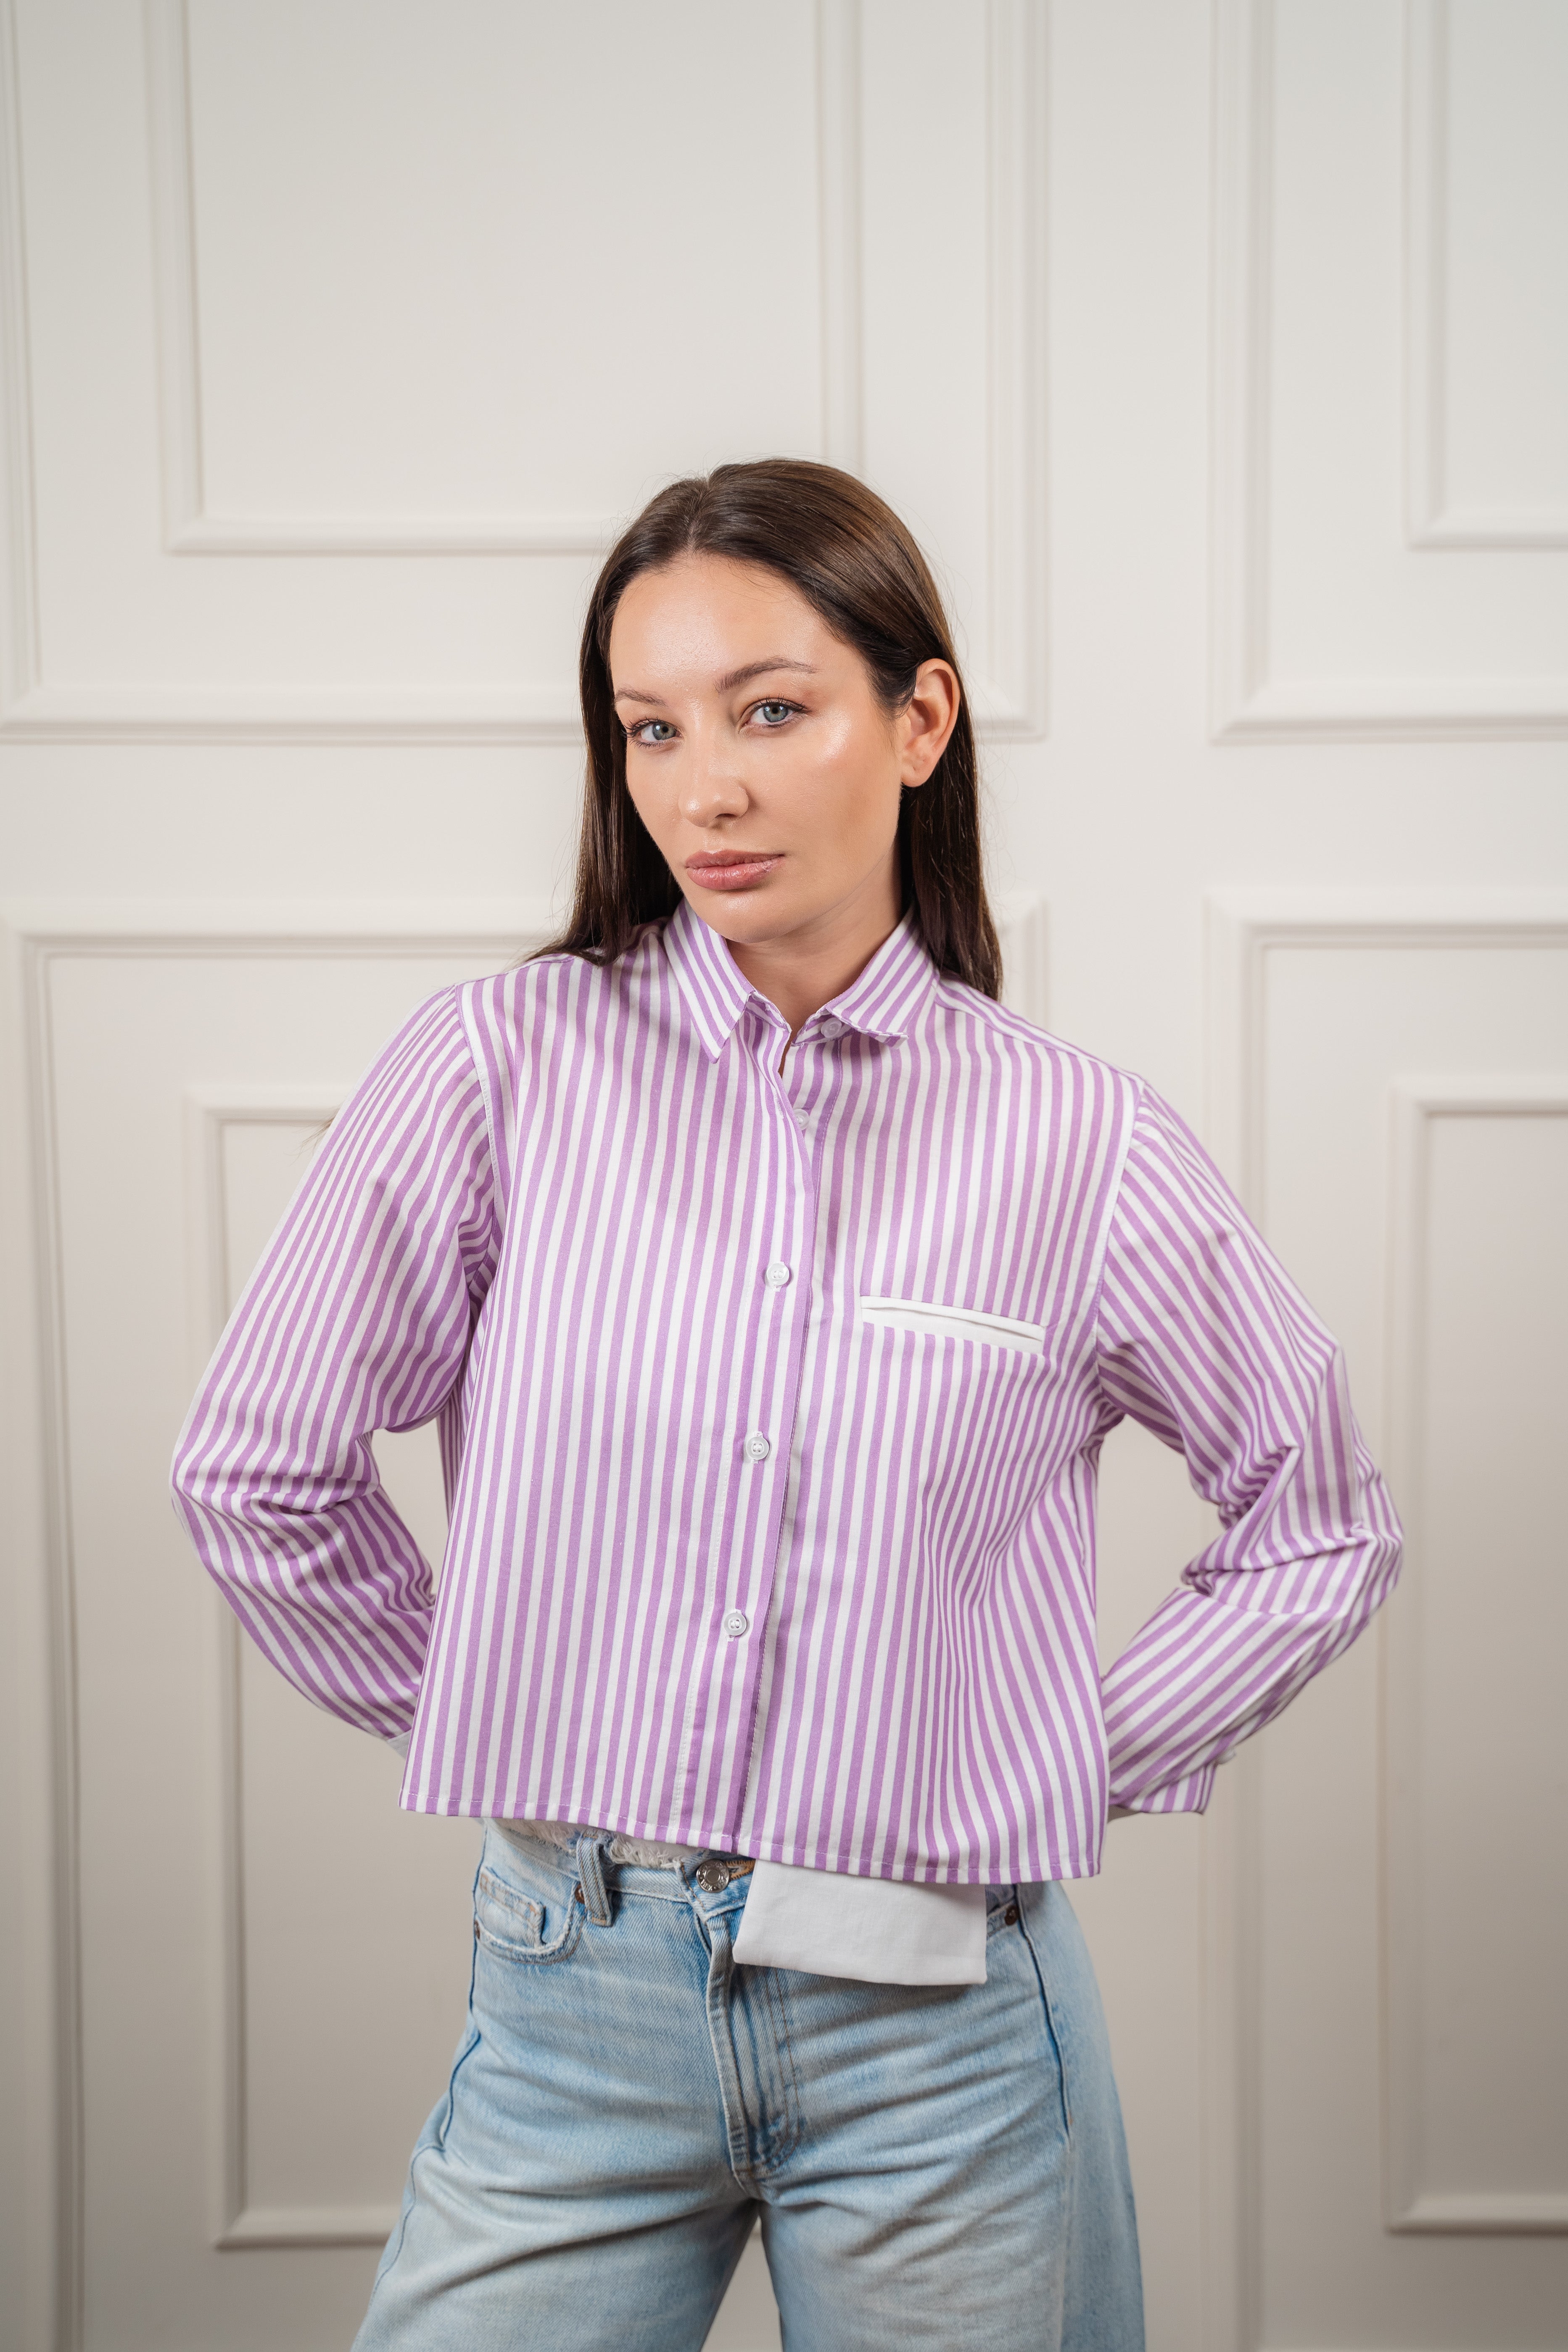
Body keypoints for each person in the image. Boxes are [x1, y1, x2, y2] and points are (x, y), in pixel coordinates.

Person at [171, 459, 1402, 2351]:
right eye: (651, 728)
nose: (704, 787)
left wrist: (1064, 1744)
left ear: (919, 719)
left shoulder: (1078, 1142)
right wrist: (508, 1698)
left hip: (946, 2034)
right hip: (571, 1999)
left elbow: (1320, 1520)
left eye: (770, 709)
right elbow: (258, 1471)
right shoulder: (496, 1072)